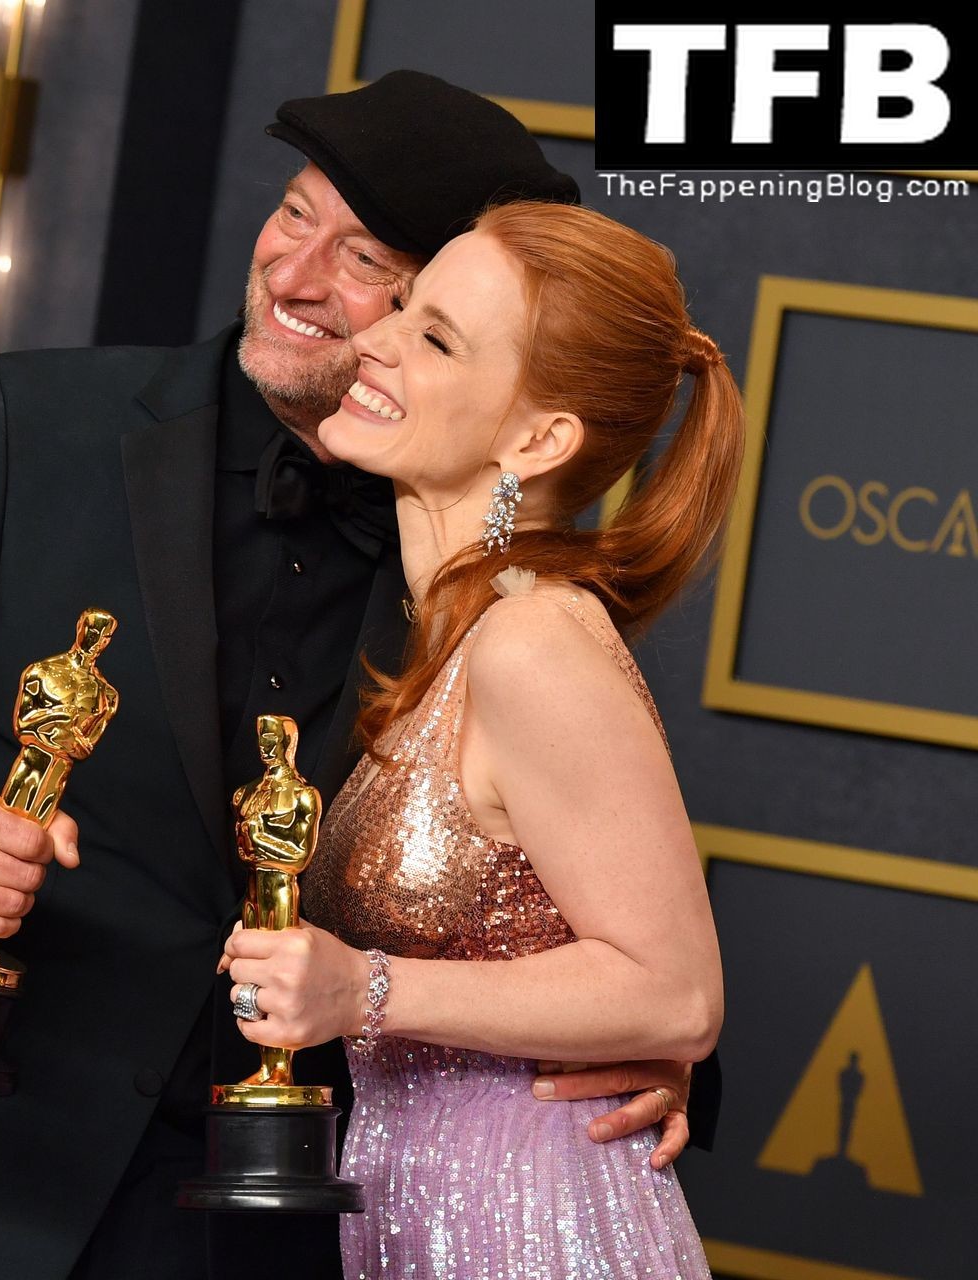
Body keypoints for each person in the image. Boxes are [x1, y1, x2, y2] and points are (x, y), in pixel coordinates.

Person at [0, 72, 716, 1280]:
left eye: (369, 263)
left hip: (246, 1233)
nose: (296, 277)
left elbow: (611, 926)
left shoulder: (487, 593)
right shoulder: (26, 422)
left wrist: (648, 1062)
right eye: (293, 214)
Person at [223, 198, 738, 1276]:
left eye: (437, 338)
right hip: (424, 1212)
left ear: (540, 440)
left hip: (531, 1223)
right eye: (404, 308)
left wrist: (364, 987)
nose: (375, 339)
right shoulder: (459, 632)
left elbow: (679, 994)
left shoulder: (531, 641)